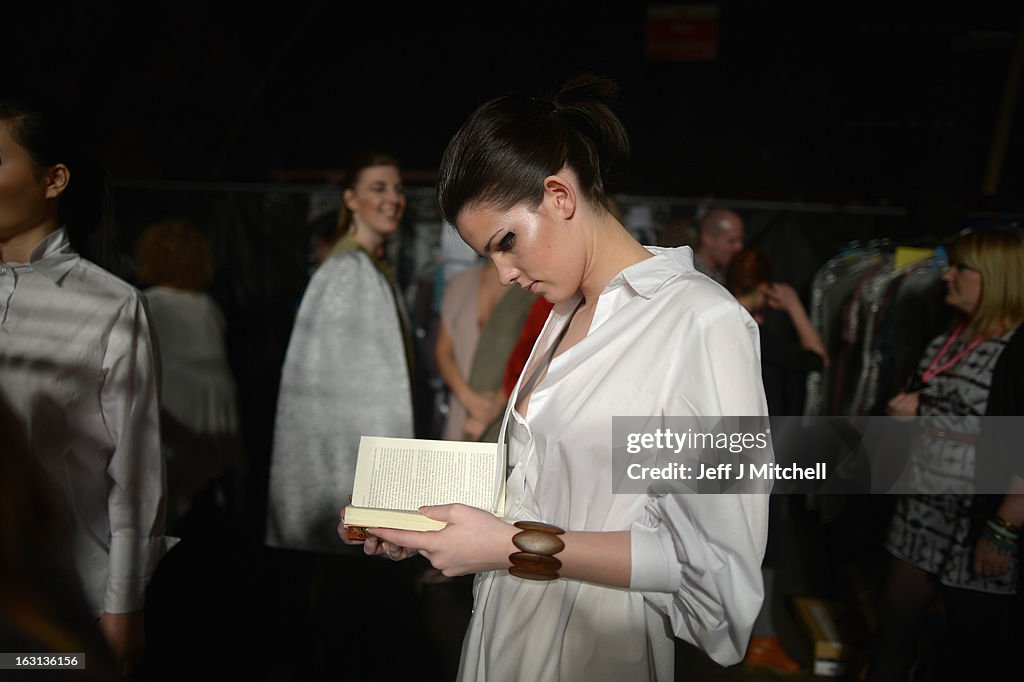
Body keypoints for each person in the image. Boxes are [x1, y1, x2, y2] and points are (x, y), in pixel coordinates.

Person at [340, 75, 771, 681]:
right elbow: (544, 488)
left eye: (507, 242)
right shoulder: (563, 312)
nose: (505, 272)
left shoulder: (703, 324)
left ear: (559, 196)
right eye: (489, 256)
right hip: (504, 625)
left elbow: (716, 565)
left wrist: (508, 545)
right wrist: (429, 522)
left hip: (595, 647)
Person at [0, 92, 176, 674]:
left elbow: (136, 468)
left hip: (58, 600)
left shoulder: (111, 305)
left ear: (53, 180)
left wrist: (125, 605)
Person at [264, 149, 422, 679]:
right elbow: (335, 401)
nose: (393, 199)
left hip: (360, 483)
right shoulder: (348, 271)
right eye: (378, 187)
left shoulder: (369, 267)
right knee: (346, 621)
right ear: (350, 199)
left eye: (397, 189)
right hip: (351, 486)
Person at [868, 228, 1024, 680]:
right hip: (920, 513)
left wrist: (1004, 528)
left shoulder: (1016, 348)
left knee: (966, 653)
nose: (946, 277)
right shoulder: (948, 337)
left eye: (961, 269)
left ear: (994, 278)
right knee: (892, 628)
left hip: (979, 520)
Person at [726, 248, 829, 675]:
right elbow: (818, 359)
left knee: (744, 545)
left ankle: (751, 636)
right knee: (766, 549)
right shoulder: (755, 333)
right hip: (759, 453)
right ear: (766, 288)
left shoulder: (725, 322)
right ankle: (761, 639)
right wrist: (794, 307)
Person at [133, 218, 244, 535]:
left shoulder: (148, 301)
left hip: (176, 398)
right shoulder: (207, 305)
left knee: (176, 484)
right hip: (213, 400)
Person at [435, 257, 533, 442]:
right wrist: (469, 399)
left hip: (512, 412)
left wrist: (497, 403)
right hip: (462, 410)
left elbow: (537, 353)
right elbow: (443, 352)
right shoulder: (459, 284)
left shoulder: (531, 285)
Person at [693, 206, 745, 285]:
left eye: (741, 240)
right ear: (708, 238)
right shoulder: (692, 273)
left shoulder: (723, 274)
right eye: (732, 241)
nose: (739, 247)